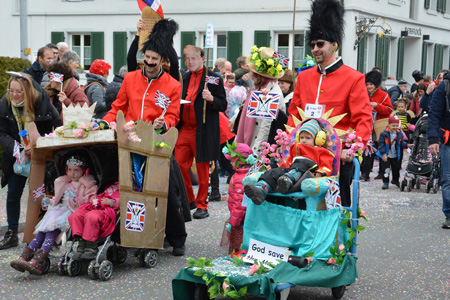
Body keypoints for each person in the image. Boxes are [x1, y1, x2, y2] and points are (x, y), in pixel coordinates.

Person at [101, 19, 186, 256]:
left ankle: (177, 237)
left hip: (156, 142)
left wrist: (165, 122)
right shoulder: (129, 79)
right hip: (128, 142)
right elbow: (117, 107)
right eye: (146, 58)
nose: (149, 63)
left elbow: (174, 114)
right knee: (127, 188)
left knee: (165, 190)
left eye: (154, 60)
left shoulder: (173, 85)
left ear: (162, 61)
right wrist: (105, 122)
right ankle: (126, 233)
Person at [287, 0, 372, 207]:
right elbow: (293, 115)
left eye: (320, 44)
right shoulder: (305, 77)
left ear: (334, 44)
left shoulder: (354, 78)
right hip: (302, 154)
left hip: (338, 156)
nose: (315, 49)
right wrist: (286, 143)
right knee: (300, 208)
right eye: (312, 45)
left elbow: (363, 118)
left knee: (336, 209)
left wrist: (351, 149)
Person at [0, 72, 61, 250]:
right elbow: (1, 132)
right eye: (11, 90)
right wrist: (16, 147)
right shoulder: (4, 105)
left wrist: (37, 144)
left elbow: (57, 128)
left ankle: (43, 233)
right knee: (13, 195)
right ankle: (11, 233)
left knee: (40, 197)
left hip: (41, 157)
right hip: (16, 156)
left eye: (19, 92)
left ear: (27, 91)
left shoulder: (42, 103)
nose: (14, 95)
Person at [10, 155, 98, 274]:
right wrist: (48, 201)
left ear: (84, 171)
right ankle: (25, 256)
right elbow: (57, 199)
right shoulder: (64, 183)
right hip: (59, 210)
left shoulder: (87, 185)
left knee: (51, 232)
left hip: (73, 213)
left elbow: (88, 203)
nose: (72, 173)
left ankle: (38, 260)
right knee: (42, 231)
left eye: (76, 170)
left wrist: (77, 198)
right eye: (70, 170)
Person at [174, 45, 227, 219]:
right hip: (185, 129)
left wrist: (212, 100)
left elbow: (223, 104)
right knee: (179, 165)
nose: (190, 62)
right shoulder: (185, 77)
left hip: (203, 130)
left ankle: (202, 204)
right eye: (187, 58)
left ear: (202, 59)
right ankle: (189, 199)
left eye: (193, 58)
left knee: (203, 169)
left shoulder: (213, 78)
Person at [244, 119, 335, 204]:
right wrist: (275, 166)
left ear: (317, 139)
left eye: (308, 138)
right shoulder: (296, 147)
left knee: (301, 164)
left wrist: (320, 172)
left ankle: (287, 181)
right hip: (292, 170)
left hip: (307, 173)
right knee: (276, 171)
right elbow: (288, 164)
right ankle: (261, 188)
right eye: (302, 137)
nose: (304, 140)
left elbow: (326, 166)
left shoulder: (322, 151)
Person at [235, 46, 286, 155]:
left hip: (260, 147)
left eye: (252, 71)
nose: (250, 74)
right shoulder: (257, 87)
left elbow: (265, 127)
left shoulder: (271, 91)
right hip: (251, 139)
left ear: (259, 75)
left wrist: (256, 153)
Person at [68, 182, 120, 260]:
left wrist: (112, 202)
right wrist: (93, 198)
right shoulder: (109, 186)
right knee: (76, 215)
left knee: (92, 216)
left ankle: (91, 246)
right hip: (95, 208)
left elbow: (126, 202)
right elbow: (99, 194)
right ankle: (81, 243)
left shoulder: (127, 189)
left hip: (106, 212)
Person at [220, 142, 255, 254]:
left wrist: (233, 221)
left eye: (232, 160)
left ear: (239, 161)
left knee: (239, 244)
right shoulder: (248, 173)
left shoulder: (241, 178)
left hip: (240, 218)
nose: (230, 162)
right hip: (244, 216)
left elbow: (240, 202)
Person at [427, 71, 450, 228]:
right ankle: (449, 214)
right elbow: (434, 114)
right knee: (448, 178)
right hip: (448, 140)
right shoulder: (444, 86)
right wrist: (434, 139)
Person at [360, 70, 393, 181]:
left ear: (376, 84)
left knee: (382, 149)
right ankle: (365, 173)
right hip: (367, 127)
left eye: (371, 84)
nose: (369, 86)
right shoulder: (363, 94)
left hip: (379, 128)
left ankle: (383, 173)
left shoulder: (384, 95)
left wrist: (377, 106)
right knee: (367, 151)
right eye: (367, 84)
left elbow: (389, 110)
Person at [377, 116, 410, 190]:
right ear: (389, 125)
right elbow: (381, 144)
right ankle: (385, 182)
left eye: (396, 125)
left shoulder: (400, 134)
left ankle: (395, 180)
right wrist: (383, 154)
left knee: (396, 168)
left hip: (395, 155)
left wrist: (408, 145)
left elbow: (401, 143)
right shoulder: (384, 134)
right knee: (386, 169)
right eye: (393, 125)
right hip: (386, 155)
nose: (395, 127)